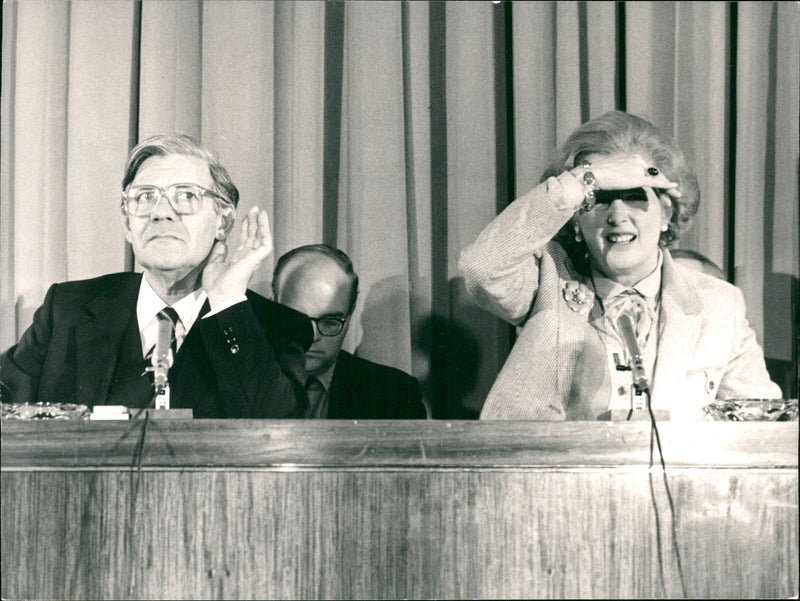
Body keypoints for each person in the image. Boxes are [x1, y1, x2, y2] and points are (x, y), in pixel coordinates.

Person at [458, 111, 781, 421]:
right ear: (574, 219)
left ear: (666, 213)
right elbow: (481, 267)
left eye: (633, 196)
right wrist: (581, 181)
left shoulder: (719, 302)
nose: (617, 215)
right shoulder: (548, 279)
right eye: (598, 198)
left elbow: (757, 421)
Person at [1, 133, 312, 418]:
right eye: (145, 197)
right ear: (127, 223)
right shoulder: (67, 309)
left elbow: (278, 433)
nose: (161, 212)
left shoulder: (272, 326)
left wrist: (227, 301)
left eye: (186, 196)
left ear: (223, 222)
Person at [272, 244, 427, 419]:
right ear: (273, 309)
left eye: (330, 322)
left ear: (350, 314)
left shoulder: (396, 393)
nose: (312, 336)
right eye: (297, 319)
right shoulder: (238, 381)